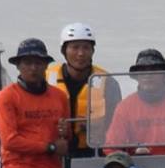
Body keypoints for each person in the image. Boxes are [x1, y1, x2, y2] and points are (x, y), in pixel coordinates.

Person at [0, 38, 73, 168]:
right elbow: (10, 140)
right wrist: (49, 147)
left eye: (38, 63)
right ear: (18, 66)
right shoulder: (7, 97)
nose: (33, 68)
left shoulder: (59, 97)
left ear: (46, 65)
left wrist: (65, 134)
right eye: (28, 63)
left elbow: (65, 140)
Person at [102, 48, 165, 154]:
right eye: (142, 71)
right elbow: (111, 147)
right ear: (136, 76)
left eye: (154, 70)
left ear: (164, 75)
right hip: (136, 163)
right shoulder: (124, 107)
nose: (148, 75)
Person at [47, 22, 121, 155]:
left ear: (93, 51)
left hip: (93, 151)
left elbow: (117, 123)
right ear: (64, 51)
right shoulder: (46, 78)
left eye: (86, 48)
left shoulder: (107, 82)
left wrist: (93, 128)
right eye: (75, 47)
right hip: (54, 150)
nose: (81, 53)